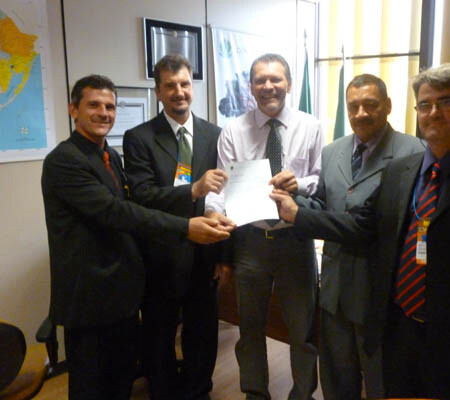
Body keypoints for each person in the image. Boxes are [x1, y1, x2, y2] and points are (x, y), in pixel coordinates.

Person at [272, 63, 450, 399]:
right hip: (399, 329)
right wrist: (294, 209)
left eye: (446, 102)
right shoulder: (402, 171)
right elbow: (363, 223)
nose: (434, 112)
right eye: (425, 104)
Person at [41, 75, 231, 400]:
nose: (104, 113)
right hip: (90, 294)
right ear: (73, 110)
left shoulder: (109, 156)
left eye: (110, 106)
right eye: (94, 105)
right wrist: (186, 227)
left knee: (120, 380)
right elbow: (119, 211)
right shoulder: (64, 161)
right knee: (91, 385)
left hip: (122, 292)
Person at [295, 74, 424, 399]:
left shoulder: (413, 153)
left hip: (378, 292)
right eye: (353, 107)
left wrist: (296, 214)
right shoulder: (332, 151)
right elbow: (324, 203)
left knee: (382, 380)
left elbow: (382, 224)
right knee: (337, 378)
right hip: (335, 288)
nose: (361, 113)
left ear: (388, 106)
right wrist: (293, 199)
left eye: (370, 105)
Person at [206, 53, 324, 400]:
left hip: (295, 241)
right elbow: (221, 186)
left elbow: (322, 179)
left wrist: (299, 183)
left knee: (302, 330)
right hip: (250, 242)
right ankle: (255, 393)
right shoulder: (233, 130)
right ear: (251, 87)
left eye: (276, 79)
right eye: (260, 80)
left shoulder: (311, 126)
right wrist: (212, 212)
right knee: (250, 329)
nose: (268, 86)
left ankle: (302, 394)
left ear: (289, 83)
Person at [123, 55, 234, 400]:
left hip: (204, 254)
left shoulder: (216, 135)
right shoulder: (139, 138)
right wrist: (193, 189)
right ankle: (164, 392)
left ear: (193, 87)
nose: (179, 92)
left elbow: (225, 196)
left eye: (184, 84)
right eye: (170, 85)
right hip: (161, 255)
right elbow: (142, 195)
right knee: (159, 335)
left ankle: (199, 390)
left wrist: (223, 254)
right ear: (158, 92)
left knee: (202, 332)